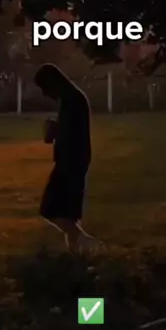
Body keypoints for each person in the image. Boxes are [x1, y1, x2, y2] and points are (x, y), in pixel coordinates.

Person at [34, 63, 100, 252]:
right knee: (68, 211)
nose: (45, 94)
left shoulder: (72, 101)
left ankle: (84, 240)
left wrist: (53, 130)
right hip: (76, 159)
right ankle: (76, 251)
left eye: (44, 88)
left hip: (70, 161)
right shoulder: (73, 99)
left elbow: (69, 133)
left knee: (50, 208)